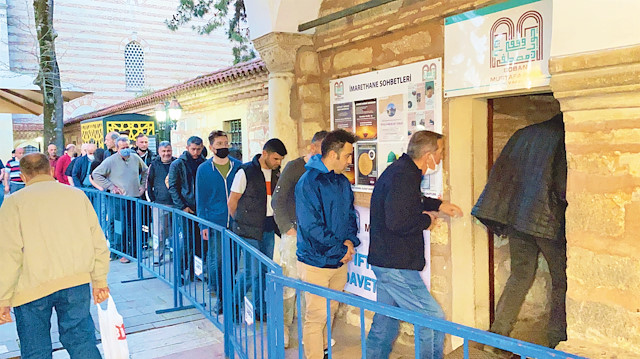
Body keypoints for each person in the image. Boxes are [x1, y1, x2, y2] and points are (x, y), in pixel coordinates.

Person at [0, 153, 110, 359]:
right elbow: (98, 241)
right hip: (75, 280)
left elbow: (8, 254)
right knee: (82, 342)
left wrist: (3, 298)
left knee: (36, 349)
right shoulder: (76, 195)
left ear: (23, 176)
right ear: (50, 170)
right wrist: (99, 280)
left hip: (31, 287)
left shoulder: (14, 203)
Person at [472, 115, 567, 350]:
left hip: (517, 217)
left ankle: (498, 337)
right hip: (547, 220)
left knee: (519, 275)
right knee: (562, 280)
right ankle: (557, 339)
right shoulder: (565, 136)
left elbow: (505, 173)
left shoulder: (523, 134)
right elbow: (563, 186)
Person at [365, 130, 462, 359]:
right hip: (396, 264)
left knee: (385, 320)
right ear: (428, 154)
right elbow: (398, 221)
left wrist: (437, 205)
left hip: (386, 260)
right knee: (432, 320)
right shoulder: (404, 176)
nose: (441, 158)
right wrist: (427, 220)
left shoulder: (402, 171)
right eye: (440, 153)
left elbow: (409, 201)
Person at [294, 129, 359, 359]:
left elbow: (351, 215)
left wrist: (350, 241)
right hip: (315, 261)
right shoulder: (308, 183)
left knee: (329, 314)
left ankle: (322, 352)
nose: (351, 160)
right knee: (316, 317)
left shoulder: (342, 181)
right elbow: (312, 227)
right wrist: (341, 249)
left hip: (338, 262)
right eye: (348, 155)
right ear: (333, 154)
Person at [272, 130, 327, 347]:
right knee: (290, 284)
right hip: (295, 235)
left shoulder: (324, 171)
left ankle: (311, 334)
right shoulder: (295, 167)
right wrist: (287, 228)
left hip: (315, 238)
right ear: (313, 147)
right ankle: (284, 327)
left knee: (312, 285)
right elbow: (278, 199)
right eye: (323, 149)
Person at [228, 138, 287, 319]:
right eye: (276, 159)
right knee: (248, 272)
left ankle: (260, 309)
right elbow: (232, 201)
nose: (278, 163)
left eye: (280, 160)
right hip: (247, 229)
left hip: (268, 227)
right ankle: (233, 307)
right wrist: (238, 223)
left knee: (263, 271)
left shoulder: (277, 174)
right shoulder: (246, 171)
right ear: (265, 154)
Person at [196, 130, 242, 313]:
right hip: (215, 222)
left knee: (234, 263)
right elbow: (201, 198)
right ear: (211, 147)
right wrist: (203, 224)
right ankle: (222, 298)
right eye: (219, 144)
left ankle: (233, 299)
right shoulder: (204, 169)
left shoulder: (238, 167)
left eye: (225, 143)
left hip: (236, 222)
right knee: (218, 263)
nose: (223, 147)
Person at [93, 136, 148, 262]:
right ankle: (120, 251)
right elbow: (96, 174)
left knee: (134, 225)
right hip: (118, 199)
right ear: (117, 148)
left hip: (134, 197)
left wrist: (143, 186)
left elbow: (145, 170)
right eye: (123, 148)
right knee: (119, 225)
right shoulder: (110, 161)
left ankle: (133, 252)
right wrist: (111, 186)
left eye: (127, 147)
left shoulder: (135, 158)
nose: (126, 150)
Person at [168, 136, 205, 281]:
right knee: (187, 242)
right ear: (187, 147)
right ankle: (181, 272)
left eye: (198, 149)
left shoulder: (204, 163)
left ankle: (196, 271)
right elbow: (173, 187)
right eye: (193, 149)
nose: (195, 152)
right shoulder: (178, 164)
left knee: (200, 242)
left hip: (200, 209)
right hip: (186, 208)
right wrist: (182, 206)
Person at [146, 141, 176, 265]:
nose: (166, 153)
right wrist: (152, 200)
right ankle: (158, 256)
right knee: (159, 232)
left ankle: (176, 254)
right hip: (159, 203)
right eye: (163, 151)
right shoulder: (154, 165)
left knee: (175, 231)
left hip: (175, 203)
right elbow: (149, 182)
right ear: (159, 152)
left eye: (168, 151)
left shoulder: (177, 163)